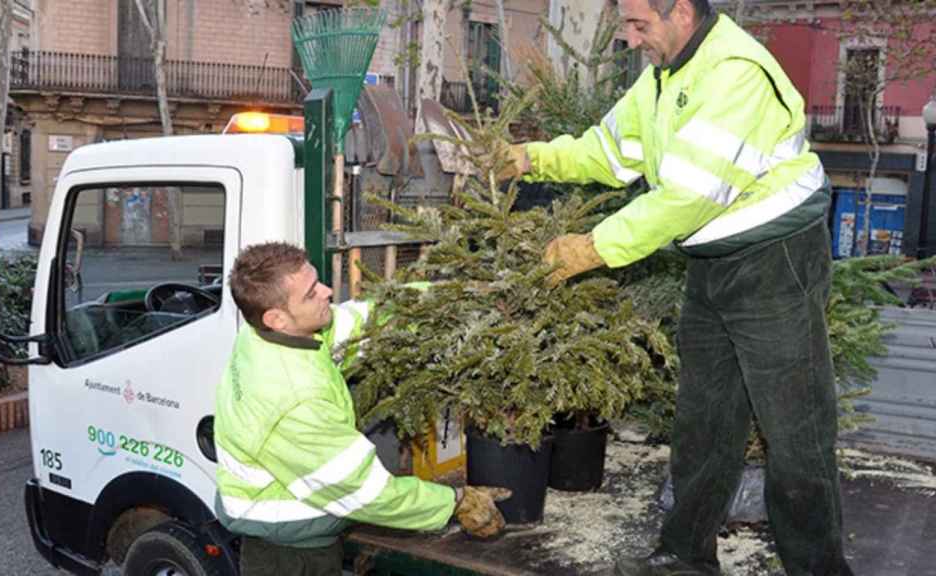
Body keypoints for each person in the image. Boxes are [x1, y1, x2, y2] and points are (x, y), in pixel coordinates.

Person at [495, 0, 855, 574]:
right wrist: (531, 158)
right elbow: (609, 153)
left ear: (681, 12)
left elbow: (687, 196)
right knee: (704, 418)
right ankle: (685, 555)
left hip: (774, 260)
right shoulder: (664, 76)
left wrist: (594, 247)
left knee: (796, 429)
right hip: (714, 262)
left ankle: (817, 568)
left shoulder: (734, 72)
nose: (633, 40)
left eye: (641, 25)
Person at [214, 241, 509, 576]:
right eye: (312, 293)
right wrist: (454, 501)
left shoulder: (264, 335)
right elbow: (364, 491)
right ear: (277, 317)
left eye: (318, 281)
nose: (327, 291)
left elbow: (362, 322)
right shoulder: (291, 397)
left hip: (297, 531)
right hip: (287, 552)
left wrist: (447, 298)